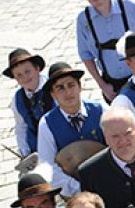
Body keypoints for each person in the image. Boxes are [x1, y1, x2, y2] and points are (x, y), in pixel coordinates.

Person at [36, 62, 106, 198]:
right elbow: (48, 167)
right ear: (53, 94)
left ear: (80, 87)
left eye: (71, 85)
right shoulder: (46, 124)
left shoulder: (100, 110)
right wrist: (78, 188)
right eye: (60, 88)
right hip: (72, 192)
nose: (68, 92)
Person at [5, 48, 50, 160]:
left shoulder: (53, 87)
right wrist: (25, 152)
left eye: (27, 71)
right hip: (37, 149)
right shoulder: (18, 99)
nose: (25, 77)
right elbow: (21, 127)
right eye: (19, 75)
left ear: (37, 68)